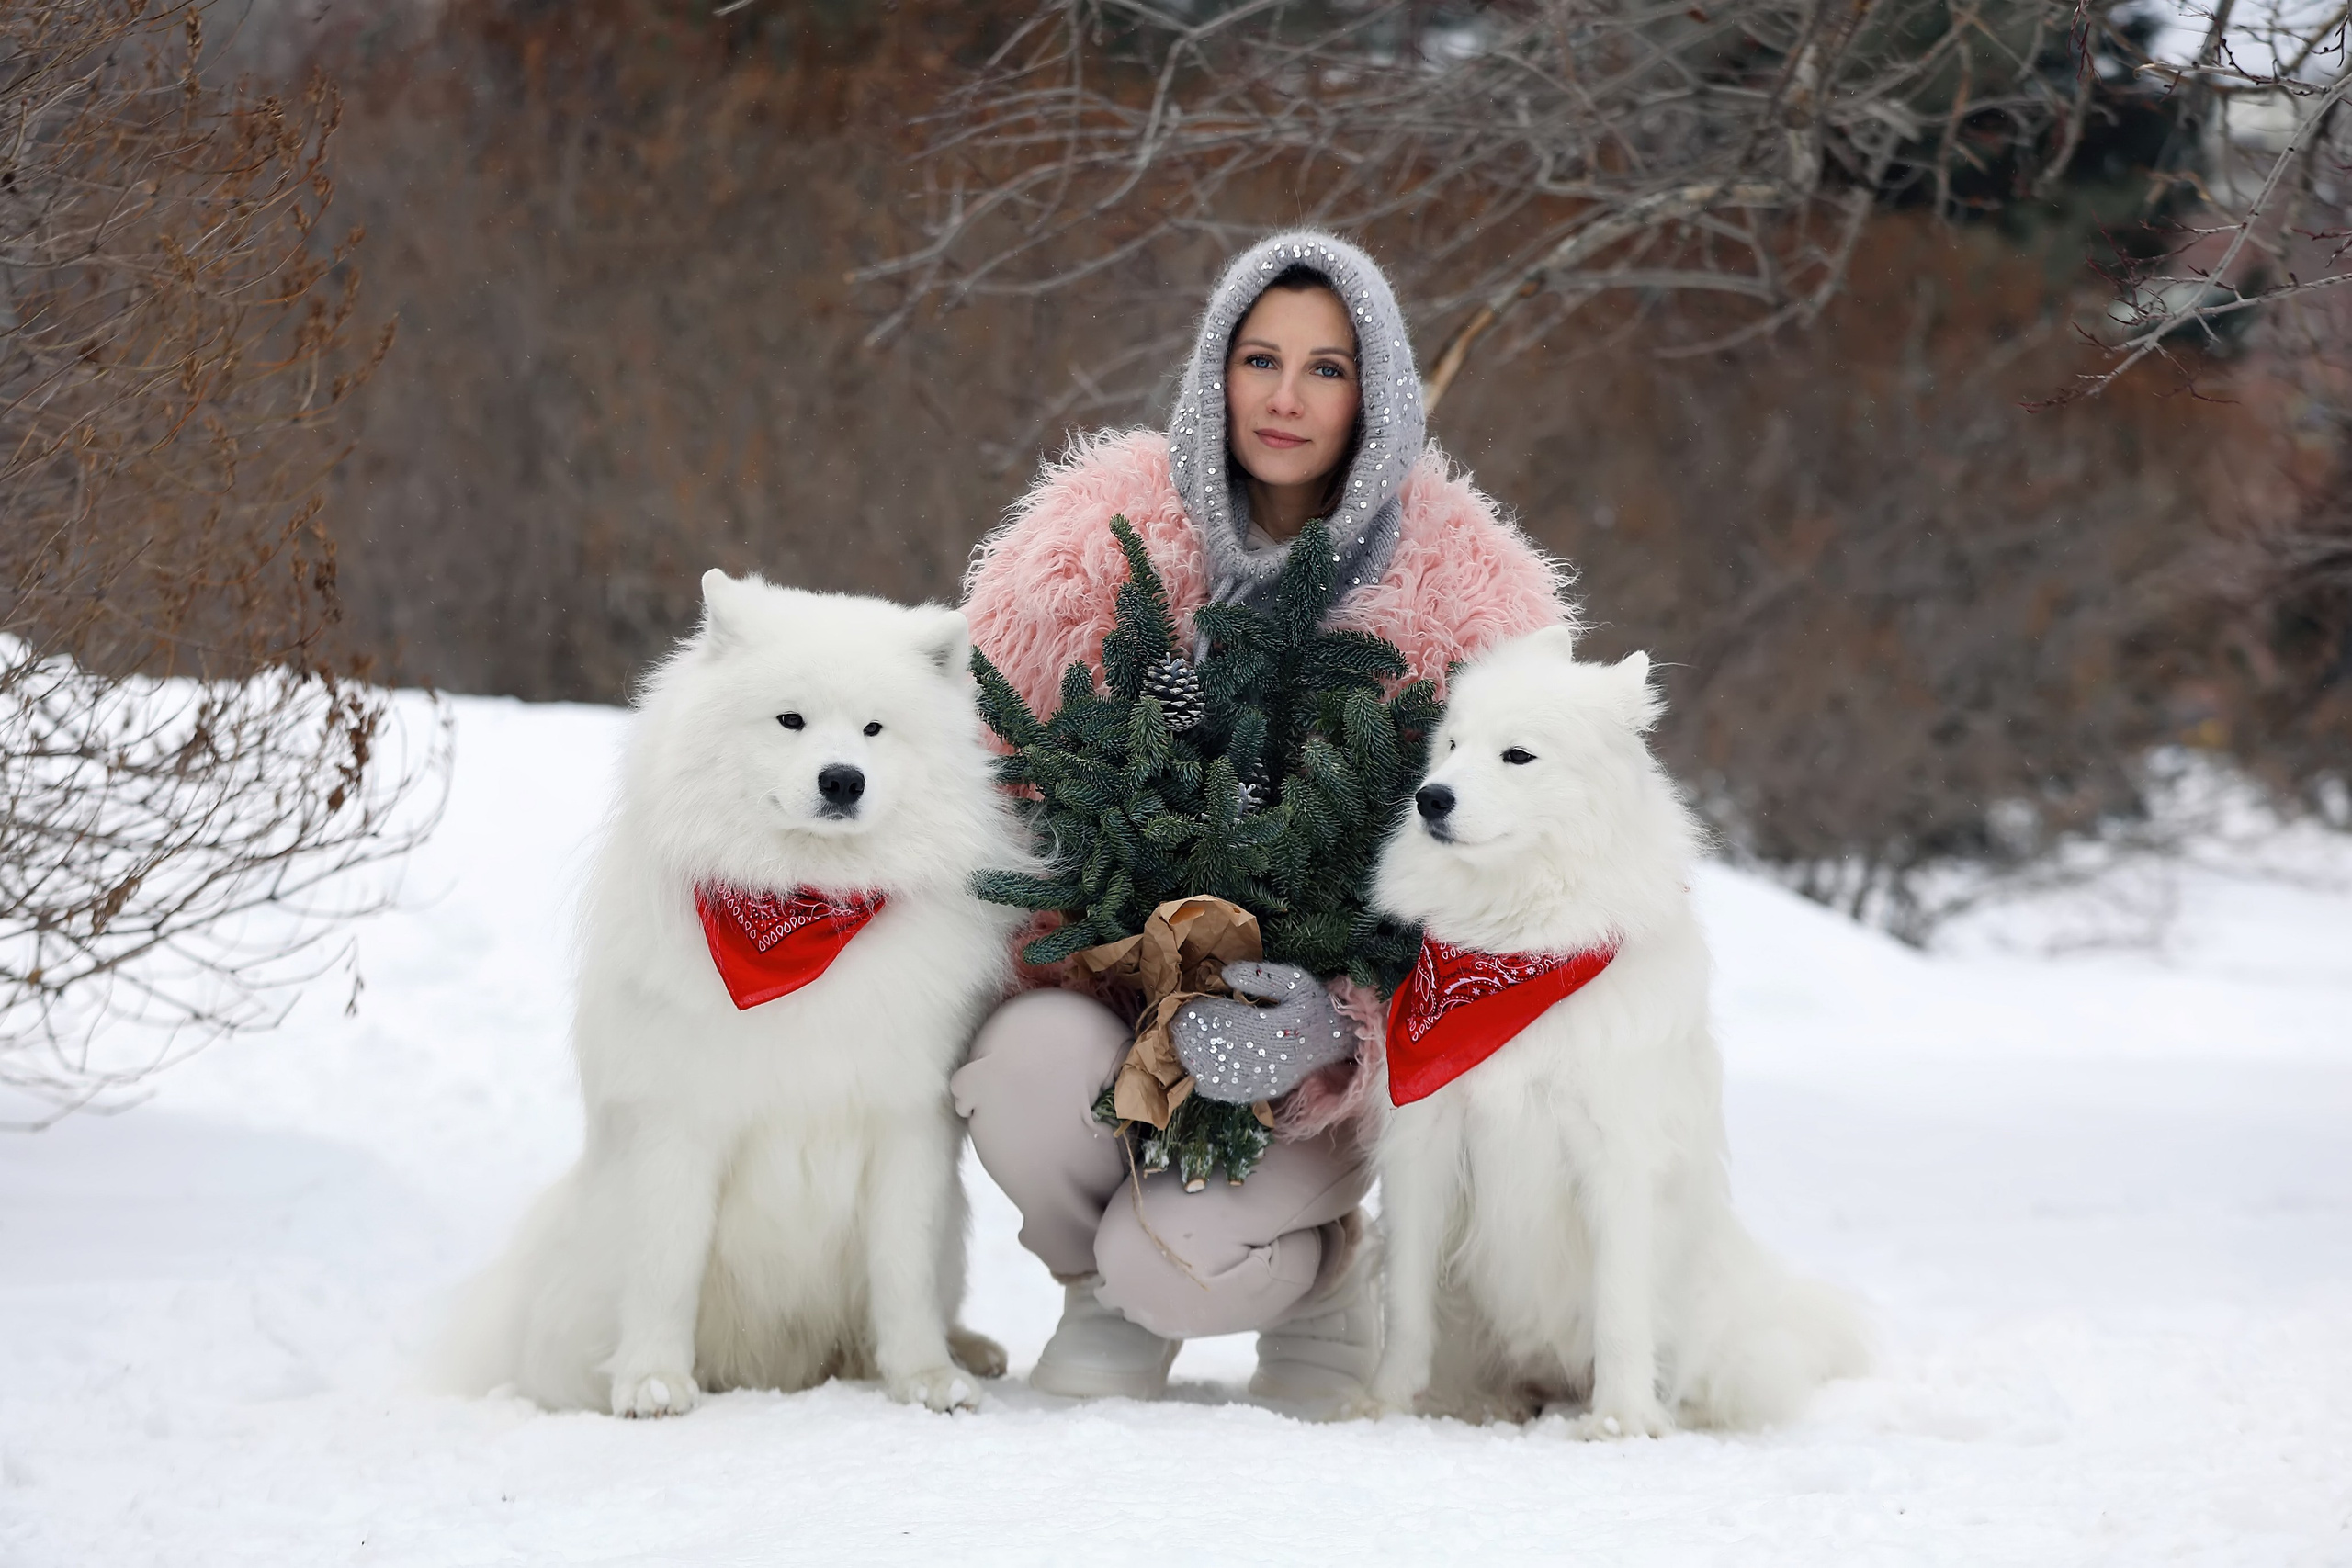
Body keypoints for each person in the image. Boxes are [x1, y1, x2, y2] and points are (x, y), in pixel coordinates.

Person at [952, 230, 1572, 1414]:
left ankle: (1320, 1274)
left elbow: (1521, 875)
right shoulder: (1092, 551)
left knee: (1174, 1264)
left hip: (1316, 1052)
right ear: (1215, 372)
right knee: (1020, 1069)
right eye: (1260, 360)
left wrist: (1345, 1030)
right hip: (1115, 1002)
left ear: (1375, 395)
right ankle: (1098, 1291)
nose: (1286, 398)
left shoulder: (1470, 601)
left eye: (1326, 369)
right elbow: (983, 780)